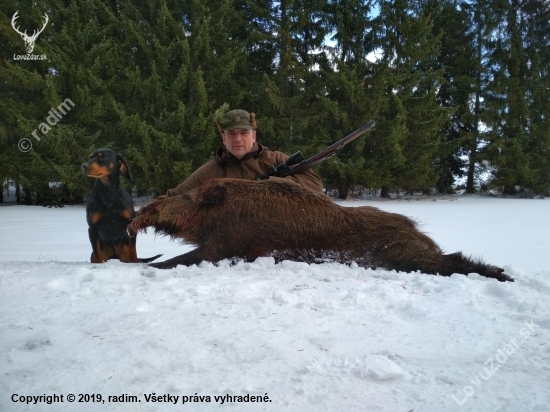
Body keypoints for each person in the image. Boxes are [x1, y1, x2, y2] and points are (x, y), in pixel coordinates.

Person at [161, 108, 323, 197]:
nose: (237, 139)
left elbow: (314, 183)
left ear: (253, 136)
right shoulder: (210, 171)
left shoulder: (276, 159)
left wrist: (271, 184)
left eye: (244, 133)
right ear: (223, 138)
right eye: (231, 134)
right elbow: (174, 196)